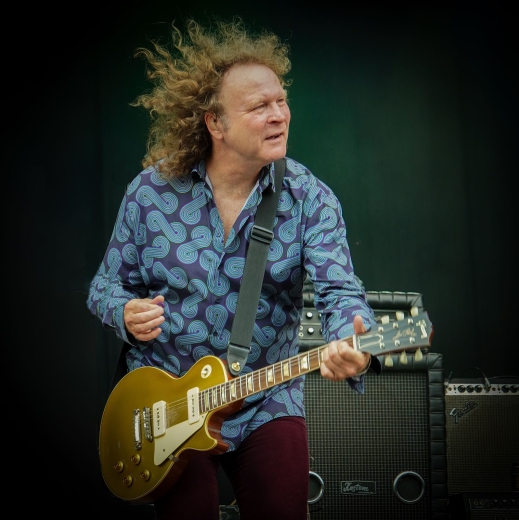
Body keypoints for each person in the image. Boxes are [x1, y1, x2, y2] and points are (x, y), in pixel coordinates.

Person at [87, 17, 380, 520]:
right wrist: (124, 312)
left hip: (266, 397)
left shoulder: (310, 199)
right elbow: (104, 286)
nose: (279, 115)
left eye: (281, 100)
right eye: (259, 106)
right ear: (215, 123)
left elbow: (340, 292)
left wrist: (353, 339)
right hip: (167, 406)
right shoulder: (150, 193)